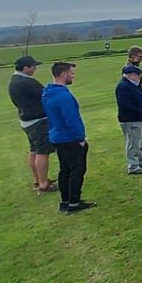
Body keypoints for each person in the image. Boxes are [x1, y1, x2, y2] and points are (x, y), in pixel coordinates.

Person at [41, 62, 96, 214]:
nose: (73, 76)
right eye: (71, 73)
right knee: (77, 170)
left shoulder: (47, 93)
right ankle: (74, 202)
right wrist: (80, 138)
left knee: (64, 169)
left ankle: (65, 200)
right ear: (64, 74)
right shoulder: (64, 96)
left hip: (57, 136)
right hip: (69, 138)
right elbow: (71, 119)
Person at [7, 55, 56, 194]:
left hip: (26, 121)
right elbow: (46, 94)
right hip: (37, 122)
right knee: (43, 152)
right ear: (26, 68)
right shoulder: (27, 82)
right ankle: (44, 184)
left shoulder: (14, 81)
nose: (36, 68)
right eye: (34, 66)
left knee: (34, 150)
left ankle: (38, 180)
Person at [115, 63, 142, 175]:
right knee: (133, 143)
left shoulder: (132, 85)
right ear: (129, 75)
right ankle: (133, 166)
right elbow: (126, 105)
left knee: (138, 141)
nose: (139, 77)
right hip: (131, 120)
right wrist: (141, 112)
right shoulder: (123, 87)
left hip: (138, 119)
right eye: (137, 74)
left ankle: (140, 160)